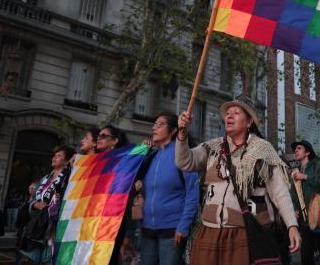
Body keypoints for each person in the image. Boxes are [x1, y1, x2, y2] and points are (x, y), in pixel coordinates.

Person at [176, 96, 301, 264]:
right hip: (209, 230)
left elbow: (279, 192)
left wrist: (292, 226)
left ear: (249, 122)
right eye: (228, 113)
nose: (229, 116)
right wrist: (182, 135)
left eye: (236, 113)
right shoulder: (213, 146)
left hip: (242, 232)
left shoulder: (263, 150)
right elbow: (185, 161)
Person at [137, 112, 200, 265]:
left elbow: (192, 194)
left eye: (160, 124)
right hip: (147, 230)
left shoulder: (183, 155)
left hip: (172, 230)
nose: (154, 128)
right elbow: (128, 174)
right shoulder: (151, 155)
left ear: (173, 131)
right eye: (154, 124)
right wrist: (140, 150)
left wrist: (183, 226)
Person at [21, 145, 75, 263]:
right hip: (39, 224)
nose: (54, 158)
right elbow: (33, 198)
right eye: (54, 156)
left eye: (58, 156)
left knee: (49, 259)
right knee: (33, 259)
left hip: (55, 227)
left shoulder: (69, 178)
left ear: (66, 160)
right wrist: (36, 204)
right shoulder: (45, 178)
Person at [290, 139, 320, 265]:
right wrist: (294, 208)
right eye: (295, 149)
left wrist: (305, 177)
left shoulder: (318, 164)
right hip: (305, 220)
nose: (296, 151)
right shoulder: (295, 171)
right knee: (305, 256)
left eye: (299, 148)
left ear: (307, 152)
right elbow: (292, 193)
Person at [95, 125, 130, 265]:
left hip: (112, 217)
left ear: (114, 141)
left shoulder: (123, 160)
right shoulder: (95, 161)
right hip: (94, 217)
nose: (99, 138)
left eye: (103, 136)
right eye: (98, 135)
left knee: (108, 256)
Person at [15, 182, 37, 265]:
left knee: (29, 249)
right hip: (22, 227)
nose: (30, 189)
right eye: (29, 188)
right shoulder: (27, 199)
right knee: (18, 248)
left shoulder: (37, 201)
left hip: (30, 227)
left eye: (33, 188)